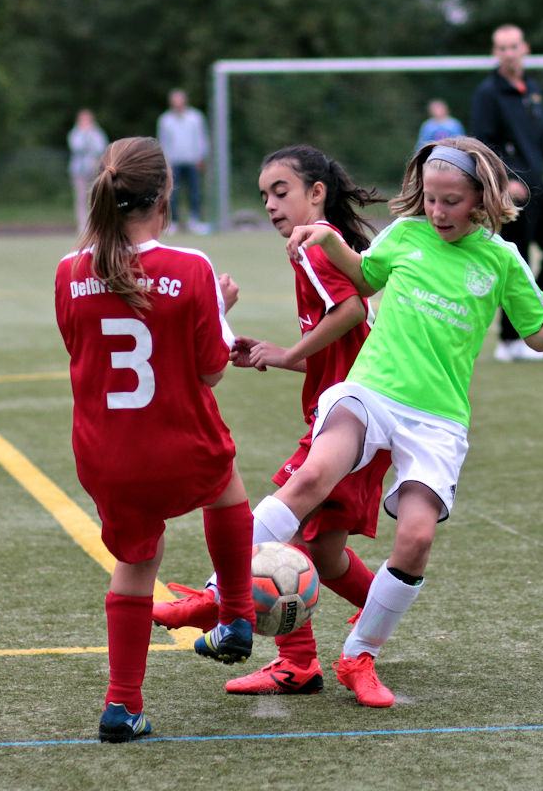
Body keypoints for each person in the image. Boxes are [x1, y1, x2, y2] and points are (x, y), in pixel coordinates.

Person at [255, 136, 543, 706]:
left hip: (437, 419)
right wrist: (330, 239)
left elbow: (537, 333)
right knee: (313, 477)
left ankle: (359, 656)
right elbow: (364, 279)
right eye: (430, 199)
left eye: (452, 201)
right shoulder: (407, 233)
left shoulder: (501, 259)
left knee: (415, 538)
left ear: (482, 199)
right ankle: (231, 590)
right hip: (371, 391)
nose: (437, 212)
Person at [153, 145, 393, 696]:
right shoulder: (328, 245)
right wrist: (280, 351)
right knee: (326, 556)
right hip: (361, 411)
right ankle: (375, 617)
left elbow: (351, 312)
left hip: (349, 419)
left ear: (317, 193)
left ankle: (227, 603)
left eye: (280, 191)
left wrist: (287, 355)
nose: (269, 204)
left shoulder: (312, 245)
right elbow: (350, 337)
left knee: (282, 525)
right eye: (263, 195)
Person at [54, 136, 256, 742]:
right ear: (165, 194)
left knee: (136, 564)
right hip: (179, 443)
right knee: (226, 488)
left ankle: (123, 707)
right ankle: (239, 618)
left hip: (109, 455)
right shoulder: (191, 267)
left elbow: (82, 349)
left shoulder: (69, 271)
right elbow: (211, 370)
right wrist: (219, 309)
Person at [471, 24, 543, 363]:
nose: (508, 53)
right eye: (501, 48)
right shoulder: (488, 93)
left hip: (539, 186)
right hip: (513, 193)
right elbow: (483, 145)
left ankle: (530, 324)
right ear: (494, 53)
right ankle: (509, 341)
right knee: (520, 265)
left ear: (525, 49)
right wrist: (504, 181)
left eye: (513, 46)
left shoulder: (530, 89)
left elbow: (540, 136)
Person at [156, 89, 211, 235]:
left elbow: (201, 138)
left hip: (192, 160)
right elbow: (163, 141)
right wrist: (165, 161)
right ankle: (173, 222)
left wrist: (201, 156)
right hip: (174, 161)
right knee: (172, 192)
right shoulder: (165, 120)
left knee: (195, 191)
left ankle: (195, 220)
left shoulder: (195, 117)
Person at [67, 109, 108, 234]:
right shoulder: (75, 133)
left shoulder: (97, 132)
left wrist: (89, 135)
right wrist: (85, 135)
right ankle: (83, 225)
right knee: (81, 198)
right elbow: (77, 147)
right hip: (79, 171)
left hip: (94, 170)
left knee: (95, 197)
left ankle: (96, 224)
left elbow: (101, 147)